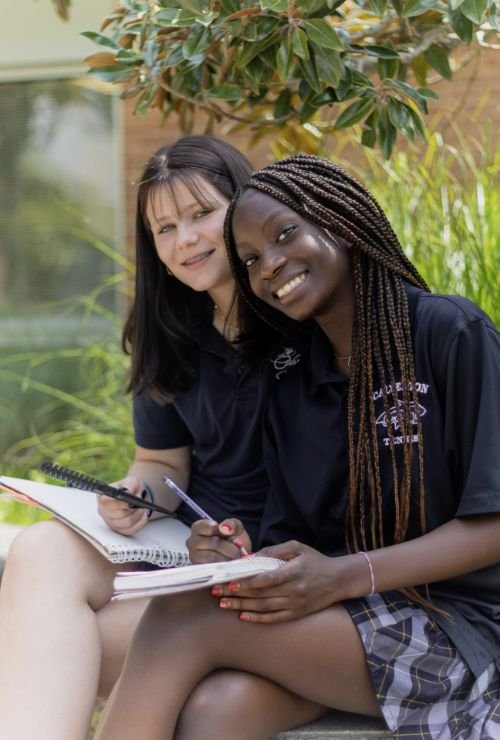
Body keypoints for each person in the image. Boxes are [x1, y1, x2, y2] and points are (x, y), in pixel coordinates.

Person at [94, 154, 500, 740]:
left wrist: (343, 576)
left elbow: (492, 525)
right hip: (355, 618)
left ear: (342, 222)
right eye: (253, 260)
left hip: (462, 630)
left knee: (182, 615)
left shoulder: (446, 332)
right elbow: (296, 538)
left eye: (285, 234)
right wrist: (234, 548)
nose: (271, 266)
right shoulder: (290, 378)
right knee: (217, 710)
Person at [0, 137, 309, 740]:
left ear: (247, 205)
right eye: (164, 228)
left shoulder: (302, 313)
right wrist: (134, 494)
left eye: (201, 215)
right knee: (41, 550)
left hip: (267, 568)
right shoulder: (169, 326)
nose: (185, 240)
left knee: (55, 646)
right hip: (182, 553)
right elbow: (161, 460)